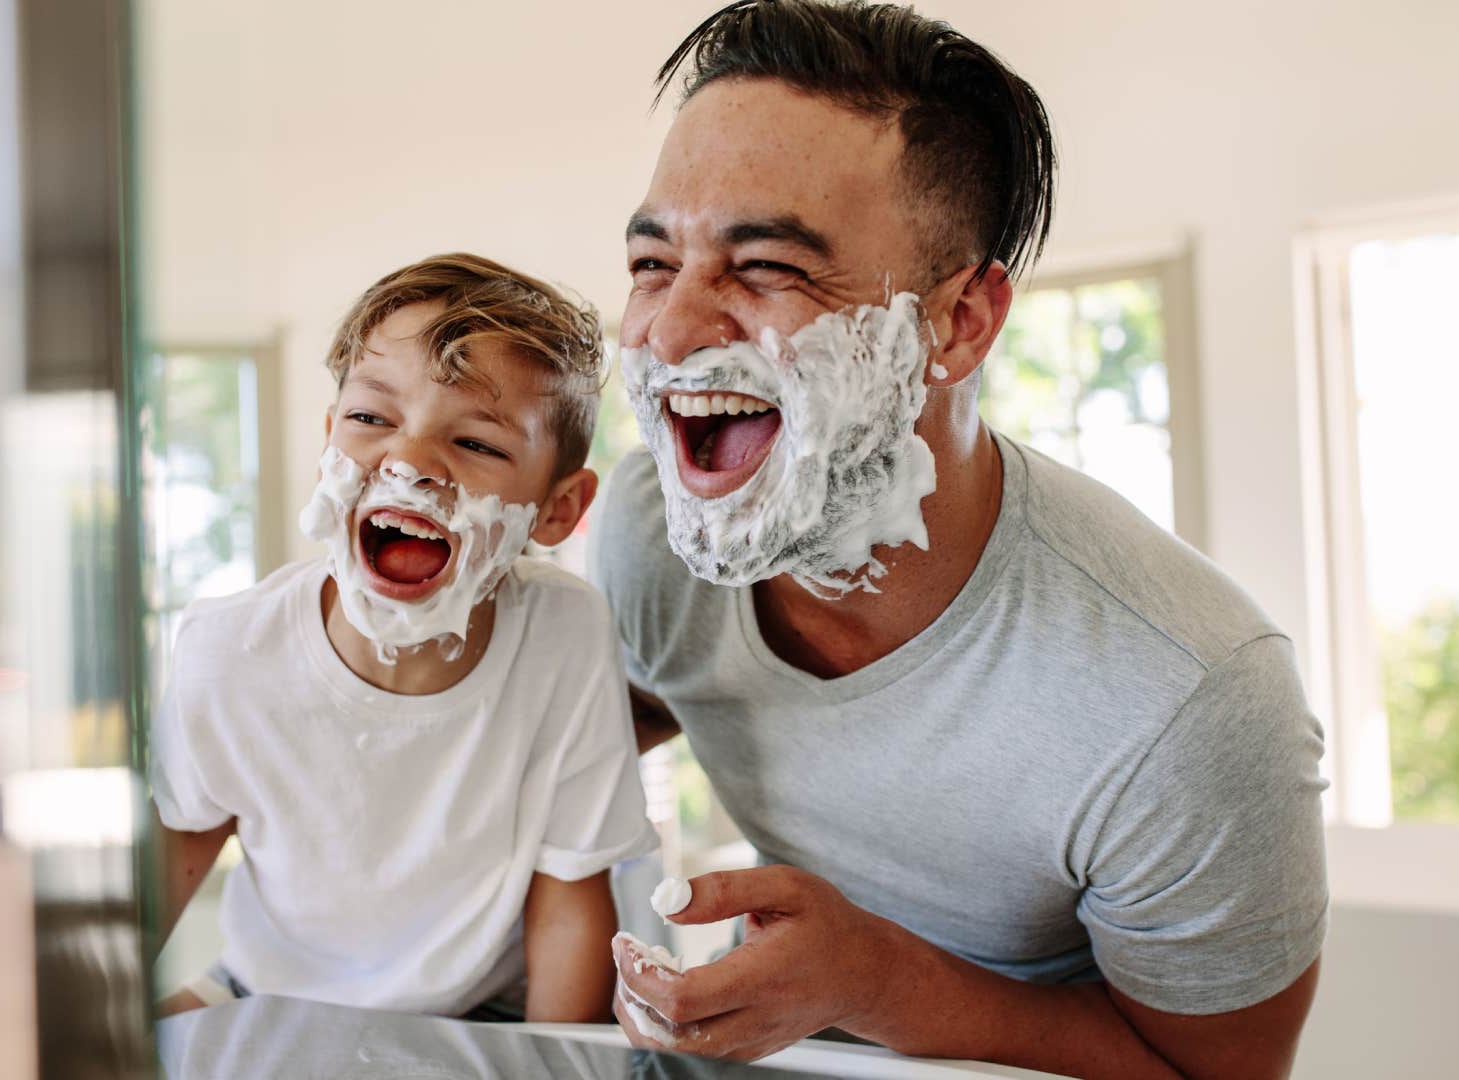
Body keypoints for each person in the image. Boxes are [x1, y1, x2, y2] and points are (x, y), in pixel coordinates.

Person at [591, 2, 1328, 1076]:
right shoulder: (652, 539)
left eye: (769, 269)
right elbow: (592, 721)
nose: (669, 330)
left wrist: (876, 985)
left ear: (960, 323)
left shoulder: (1188, 698)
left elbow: (1219, 1075)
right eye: (654, 263)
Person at [150, 254, 660, 1022]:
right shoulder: (226, 653)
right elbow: (156, 883)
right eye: (370, 418)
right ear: (329, 442)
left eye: (479, 444)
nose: (411, 463)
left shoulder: (564, 634)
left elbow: (569, 905)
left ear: (557, 511)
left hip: (480, 1010)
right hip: (268, 994)